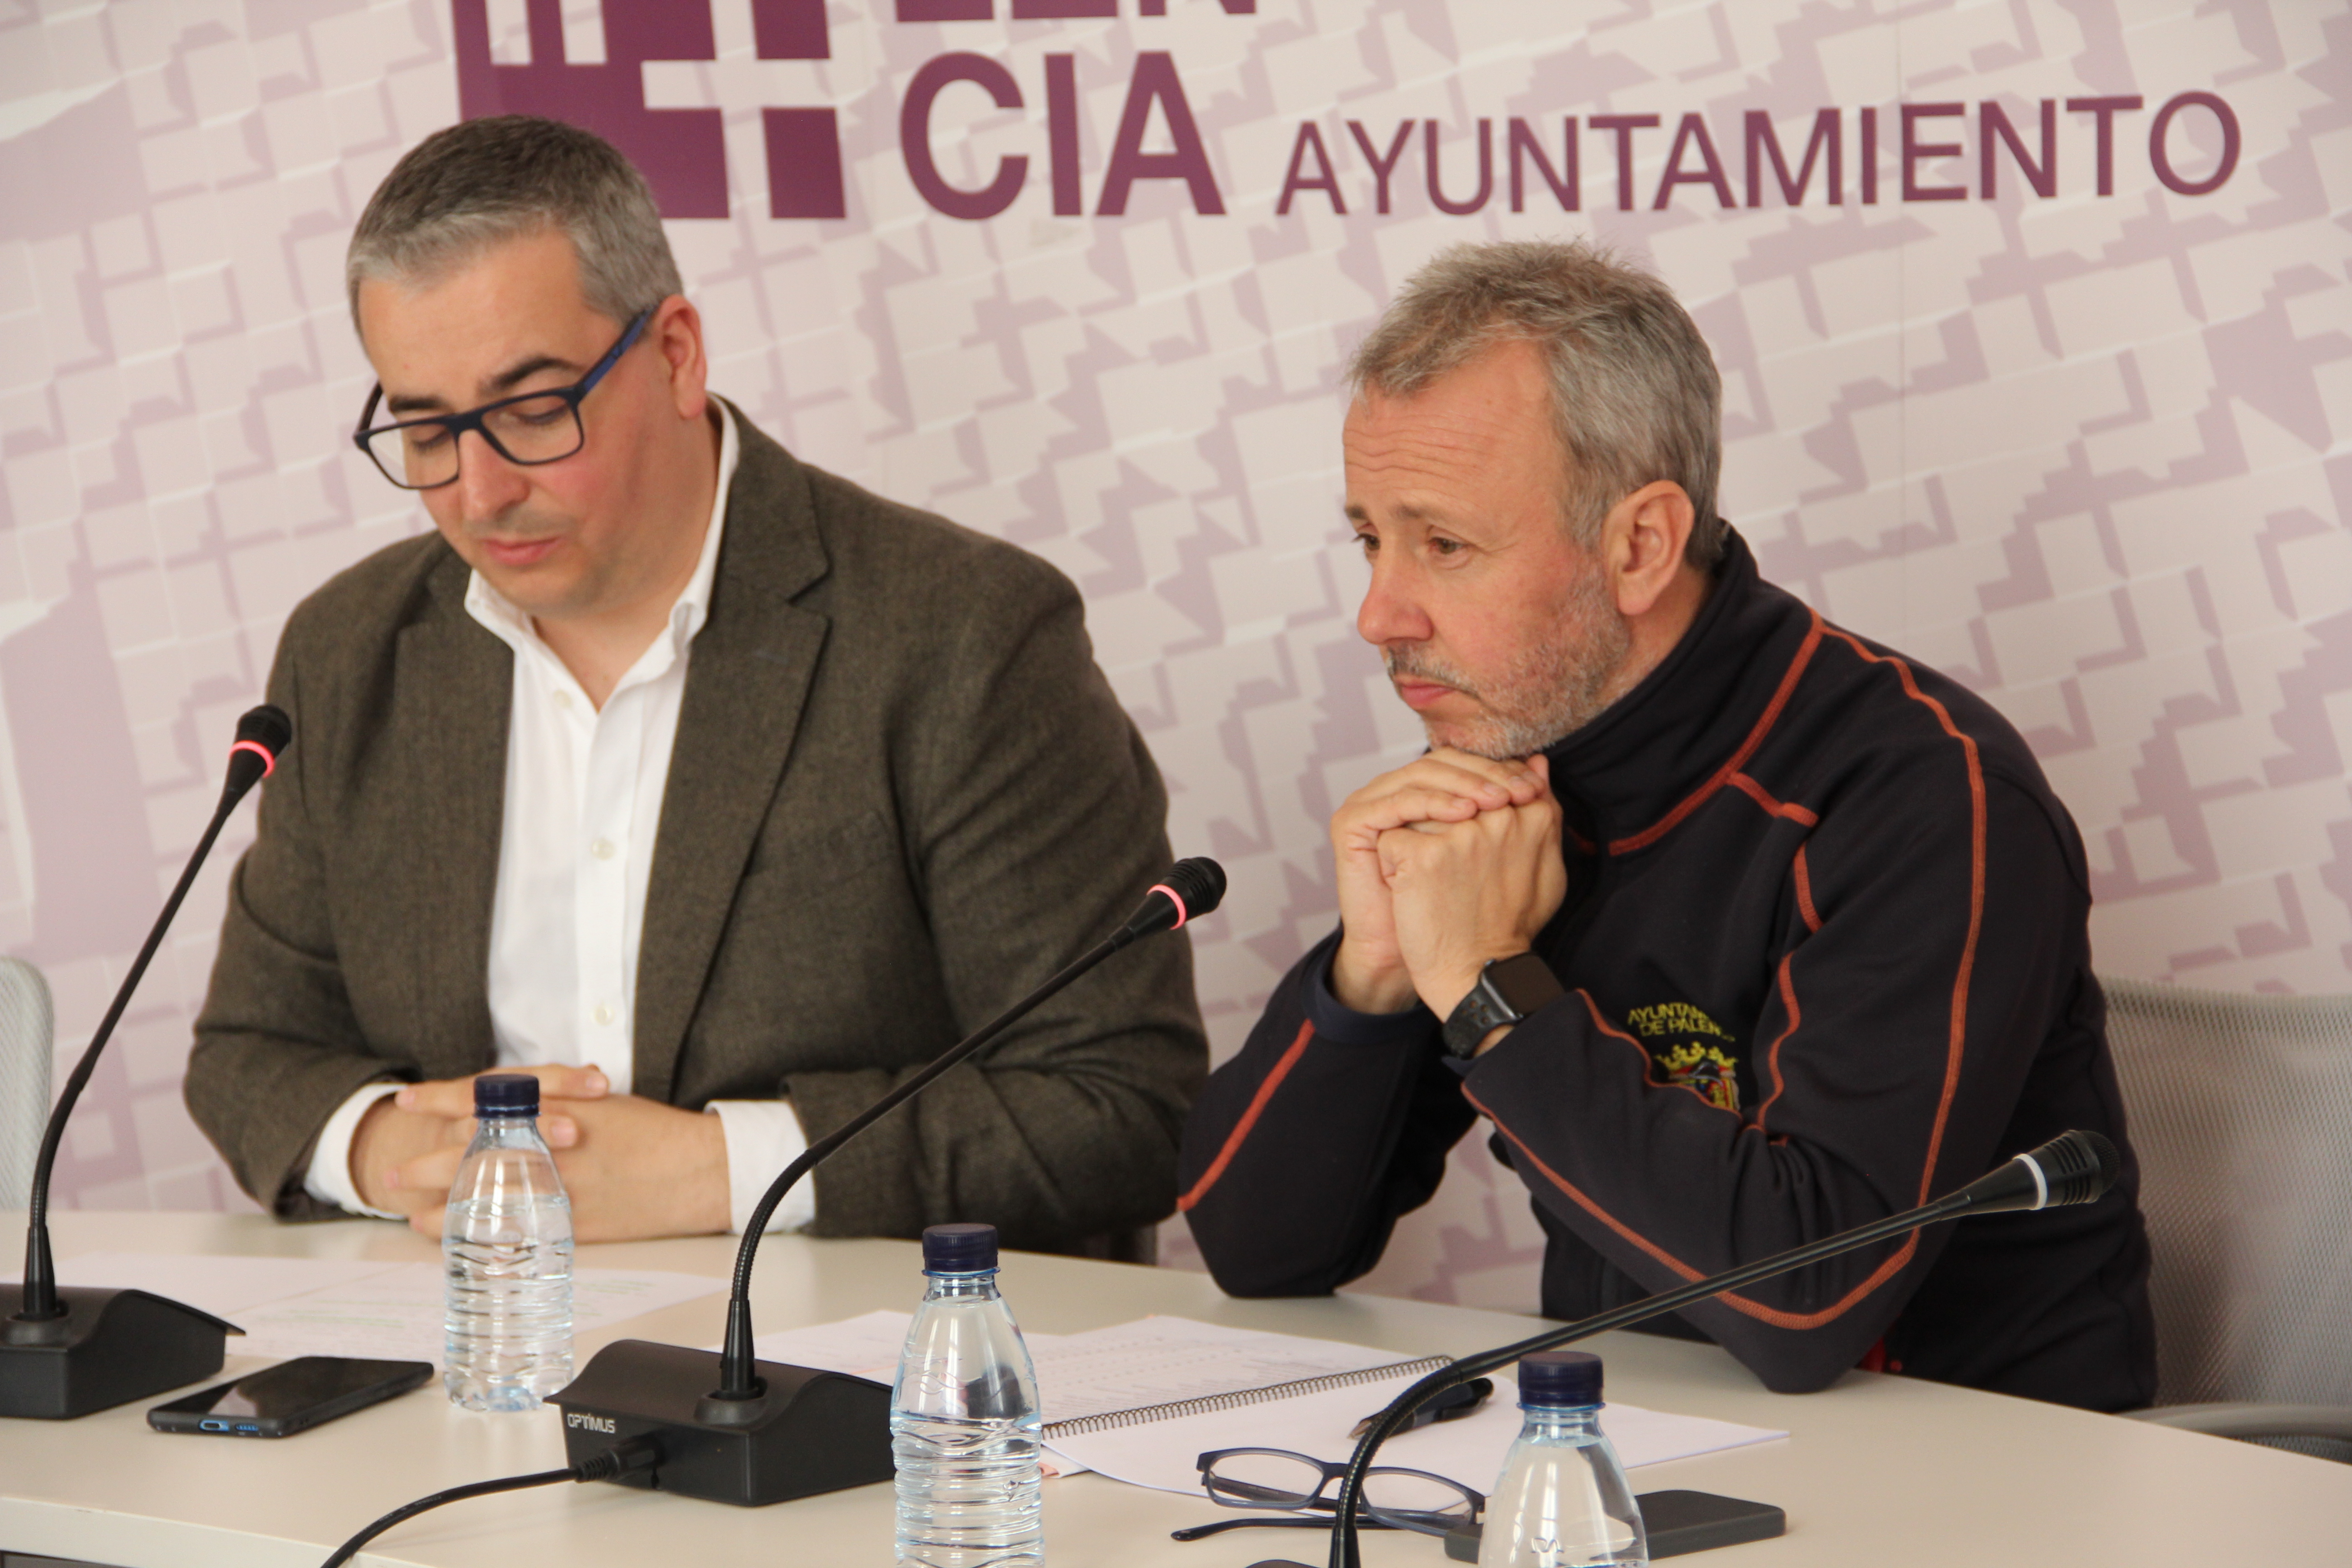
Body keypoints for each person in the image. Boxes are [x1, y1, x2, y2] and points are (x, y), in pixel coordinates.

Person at [185, 117, 1205, 1251]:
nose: (478, 494)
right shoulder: (349, 648)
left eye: (530, 411)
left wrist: (719, 1173)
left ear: (674, 354)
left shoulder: (964, 633)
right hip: (477, 1355)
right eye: (426, 429)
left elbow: (1119, 1107)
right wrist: (398, 1150)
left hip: (864, 1380)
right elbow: (250, 1057)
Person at [1176, 240, 2156, 1409]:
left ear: (1638, 544)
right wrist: (1379, 973)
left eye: (1445, 545)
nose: (1378, 612)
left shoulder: (1923, 794)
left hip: (1980, 1479)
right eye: (1369, 539)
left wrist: (1491, 990)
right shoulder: (1512, 767)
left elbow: (1809, 1305)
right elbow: (1261, 1255)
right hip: (1616, 1455)